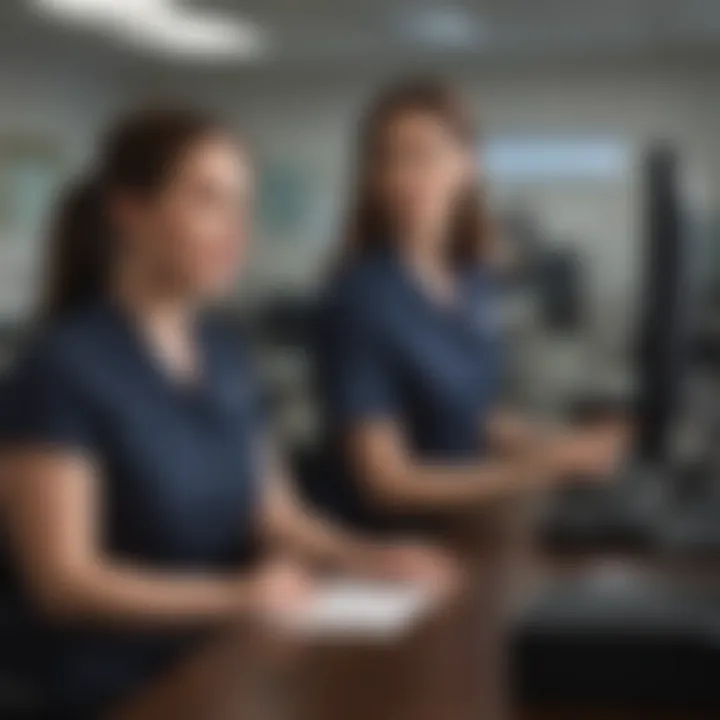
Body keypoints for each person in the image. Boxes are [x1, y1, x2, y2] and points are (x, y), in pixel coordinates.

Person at [0, 107, 453, 720]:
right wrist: (235, 596)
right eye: (208, 200)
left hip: (230, 663)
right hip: (120, 689)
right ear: (131, 212)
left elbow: (276, 515)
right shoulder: (62, 367)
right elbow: (65, 582)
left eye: (243, 205)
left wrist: (366, 558)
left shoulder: (226, 351)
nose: (236, 230)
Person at [312, 78, 628, 718]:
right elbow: (388, 481)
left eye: (425, 154)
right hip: (386, 569)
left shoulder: (471, 281)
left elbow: (477, 416)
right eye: (389, 157)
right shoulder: (361, 297)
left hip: (466, 548)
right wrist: (540, 470)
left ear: (466, 166)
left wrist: (563, 446)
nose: (407, 175)